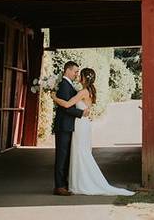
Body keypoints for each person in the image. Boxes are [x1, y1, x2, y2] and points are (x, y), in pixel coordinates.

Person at [53, 67, 135, 196]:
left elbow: (67, 105)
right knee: (81, 152)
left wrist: (54, 97)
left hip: (80, 125)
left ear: (84, 78)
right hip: (84, 124)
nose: (78, 76)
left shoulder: (82, 92)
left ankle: (81, 183)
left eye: (80, 75)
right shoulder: (89, 91)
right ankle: (79, 182)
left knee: (80, 152)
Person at [52, 61, 88, 195]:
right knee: (61, 156)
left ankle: (64, 184)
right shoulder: (63, 85)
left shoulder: (69, 85)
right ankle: (59, 186)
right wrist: (81, 113)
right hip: (63, 126)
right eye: (75, 71)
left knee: (66, 155)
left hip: (68, 126)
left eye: (78, 72)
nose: (77, 74)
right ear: (68, 70)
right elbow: (66, 107)